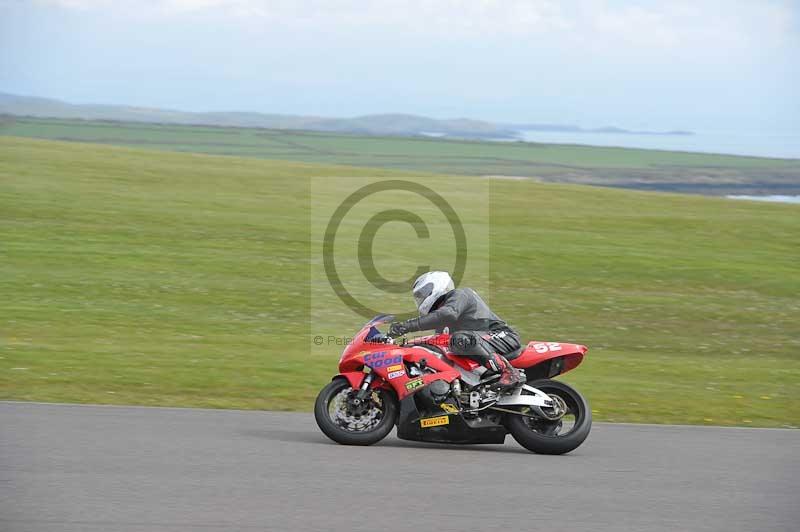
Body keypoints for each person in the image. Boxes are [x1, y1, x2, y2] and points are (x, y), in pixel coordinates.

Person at [388, 271, 522, 389]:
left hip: (503, 336)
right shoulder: (441, 320)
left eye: (423, 293)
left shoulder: (460, 295)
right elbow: (435, 342)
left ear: (438, 284)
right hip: (478, 343)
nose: (421, 298)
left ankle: (509, 372)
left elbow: (448, 313)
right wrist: (404, 347)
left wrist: (406, 326)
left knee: (460, 339)